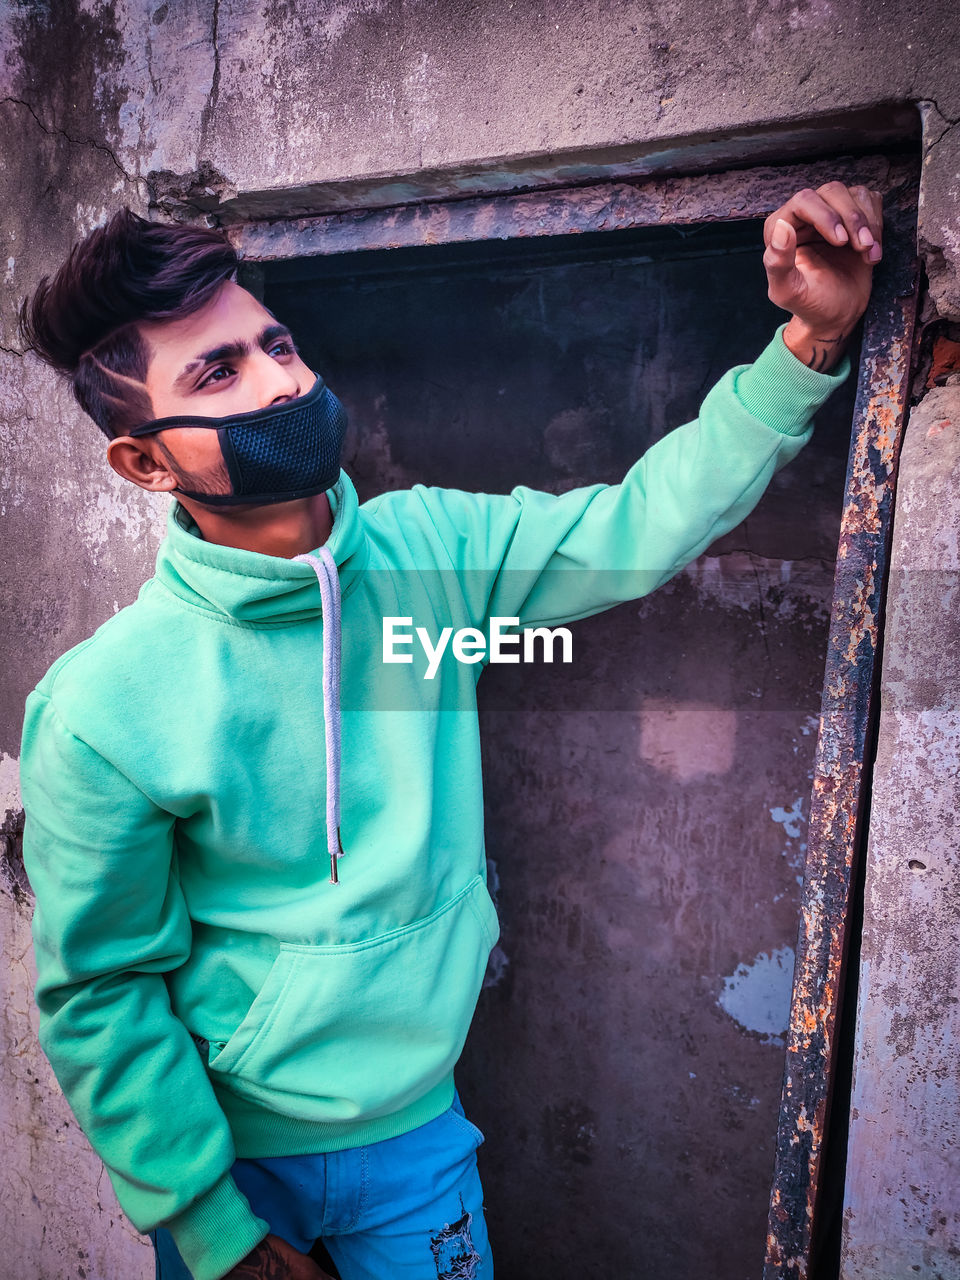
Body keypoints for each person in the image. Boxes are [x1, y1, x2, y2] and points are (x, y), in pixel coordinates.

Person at [18, 181, 882, 1280]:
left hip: (417, 1133)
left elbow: (633, 523)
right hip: (230, 1160)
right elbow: (102, 989)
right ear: (146, 461)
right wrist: (212, 1227)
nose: (283, 376)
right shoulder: (103, 705)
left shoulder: (429, 553)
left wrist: (811, 339)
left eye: (275, 342)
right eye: (218, 371)